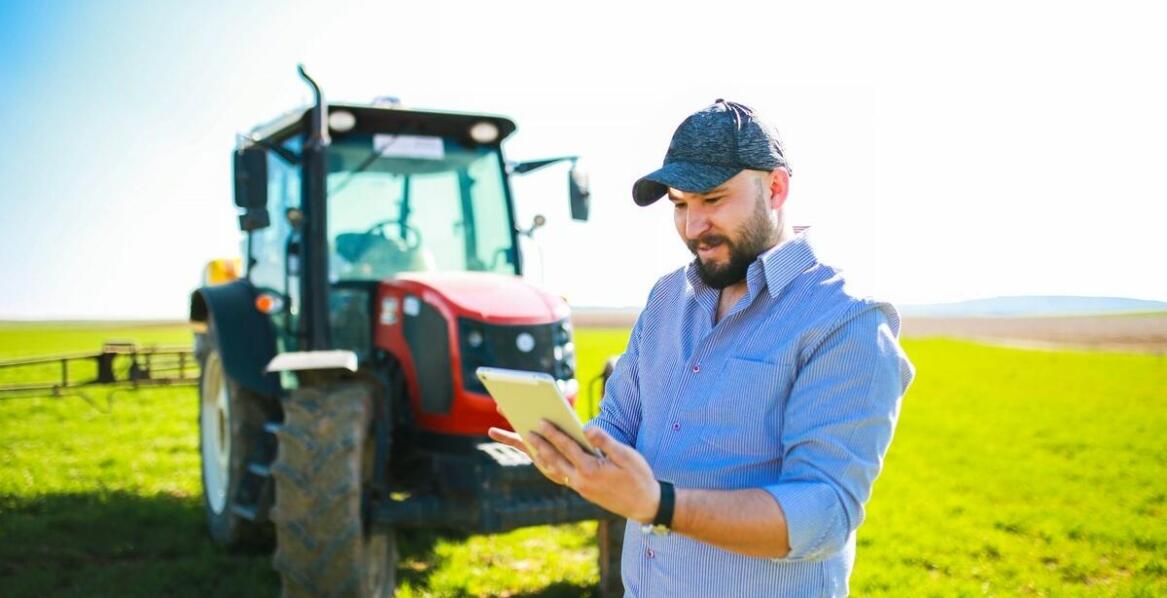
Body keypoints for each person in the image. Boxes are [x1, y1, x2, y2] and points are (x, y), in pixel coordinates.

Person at [489, 99, 916, 596]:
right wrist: (574, 457)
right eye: (680, 204)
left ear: (775, 188)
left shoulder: (846, 318)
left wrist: (661, 506)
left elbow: (823, 515)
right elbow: (617, 425)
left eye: (712, 200)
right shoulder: (668, 298)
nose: (693, 228)